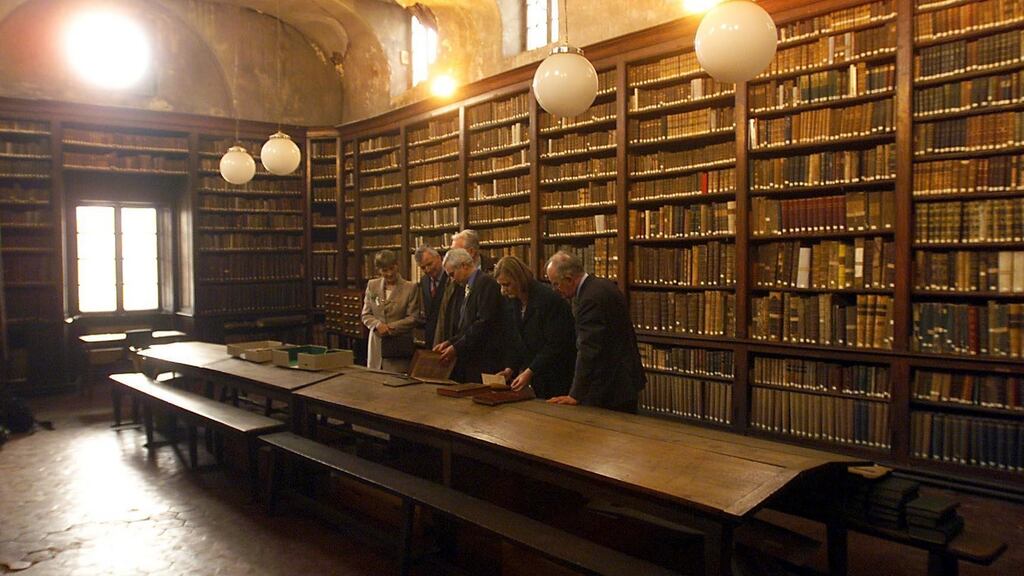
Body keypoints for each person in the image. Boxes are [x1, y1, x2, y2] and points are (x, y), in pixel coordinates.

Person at [544, 251, 645, 412]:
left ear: (569, 279)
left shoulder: (589, 299)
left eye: (556, 284)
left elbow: (589, 349)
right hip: (622, 379)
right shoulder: (602, 285)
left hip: (610, 386)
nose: (555, 289)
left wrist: (575, 394)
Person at [494, 256, 575, 399]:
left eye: (506, 285)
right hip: (534, 376)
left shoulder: (548, 300)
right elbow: (517, 339)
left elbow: (555, 344)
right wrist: (510, 368)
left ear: (519, 279)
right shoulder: (514, 301)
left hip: (556, 375)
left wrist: (530, 371)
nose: (502, 291)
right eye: (500, 285)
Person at [433, 248, 503, 383]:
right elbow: (466, 325)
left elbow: (483, 322)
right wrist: (450, 342)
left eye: (452, 274)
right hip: (470, 359)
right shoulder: (465, 287)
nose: (452, 280)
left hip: (484, 359)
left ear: (464, 266)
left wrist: (455, 347)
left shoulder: (485, 283)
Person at [361, 250, 421, 373]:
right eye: (384, 270)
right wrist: (377, 325)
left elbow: (413, 318)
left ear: (397, 265)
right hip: (376, 345)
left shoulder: (410, 287)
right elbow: (366, 314)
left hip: (398, 346)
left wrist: (389, 327)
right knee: (375, 382)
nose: (389, 273)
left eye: (391, 268)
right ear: (378, 270)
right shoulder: (372, 286)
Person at [414, 245, 447, 349]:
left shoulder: (451, 277)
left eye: (429, 264)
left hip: (447, 335)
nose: (428, 269)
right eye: (423, 267)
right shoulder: (424, 281)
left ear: (438, 258)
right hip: (431, 338)